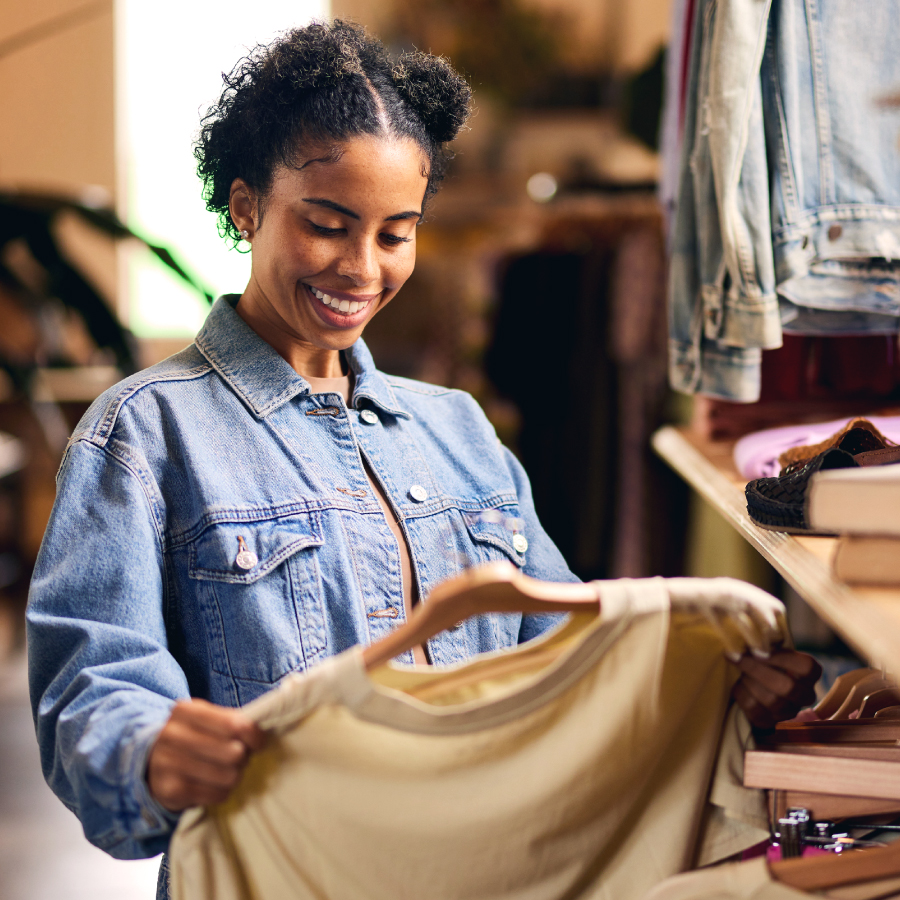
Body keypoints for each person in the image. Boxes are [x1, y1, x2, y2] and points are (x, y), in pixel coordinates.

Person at [26, 18, 819, 898]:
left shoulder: (461, 431)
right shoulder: (141, 435)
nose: (361, 268)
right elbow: (91, 689)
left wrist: (716, 697)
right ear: (247, 206)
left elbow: (565, 658)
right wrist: (152, 748)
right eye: (327, 225)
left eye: (395, 233)